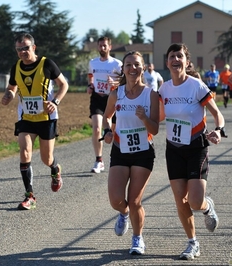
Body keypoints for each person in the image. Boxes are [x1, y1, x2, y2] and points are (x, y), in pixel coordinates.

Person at [159, 43, 226, 260]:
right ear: (167, 62)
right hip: (174, 149)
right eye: (172, 56)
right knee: (181, 200)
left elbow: (217, 114)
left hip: (196, 147)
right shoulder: (163, 89)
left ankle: (208, 207)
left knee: (196, 202)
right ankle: (192, 243)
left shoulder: (196, 85)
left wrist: (218, 130)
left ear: (187, 62)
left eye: (180, 56)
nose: (175, 59)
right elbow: (156, 116)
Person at [1, 33, 68, 210]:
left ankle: (55, 170)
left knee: (47, 159)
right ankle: (29, 196)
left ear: (34, 47)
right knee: (24, 152)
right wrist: (9, 95)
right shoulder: (16, 67)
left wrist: (55, 102)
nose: (23, 52)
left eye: (26, 48)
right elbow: (12, 87)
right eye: (19, 49)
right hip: (26, 118)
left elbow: (64, 85)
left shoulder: (47, 64)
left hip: (47, 118)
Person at [101, 51, 160, 255]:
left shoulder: (151, 94)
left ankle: (137, 239)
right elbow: (107, 116)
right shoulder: (116, 93)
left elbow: (155, 129)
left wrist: (144, 118)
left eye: (136, 65)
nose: (132, 68)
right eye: (128, 65)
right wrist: (108, 131)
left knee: (135, 200)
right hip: (120, 150)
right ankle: (123, 213)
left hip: (143, 152)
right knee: (116, 200)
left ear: (143, 68)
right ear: (123, 69)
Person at [87, 36, 123, 174]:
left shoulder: (116, 64)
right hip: (97, 97)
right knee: (97, 128)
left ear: (110, 47)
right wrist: (90, 85)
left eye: (104, 46)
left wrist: (114, 84)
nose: (102, 48)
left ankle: (117, 158)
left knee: (112, 132)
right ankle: (99, 160)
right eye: (100, 45)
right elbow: (91, 75)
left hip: (112, 98)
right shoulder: (93, 62)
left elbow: (124, 81)